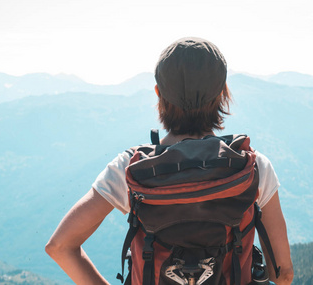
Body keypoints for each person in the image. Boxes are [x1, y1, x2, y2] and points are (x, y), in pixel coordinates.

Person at [45, 37, 294, 285]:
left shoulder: (130, 168)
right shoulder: (253, 166)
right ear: (222, 93)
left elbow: (60, 247)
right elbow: (282, 274)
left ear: (158, 94)